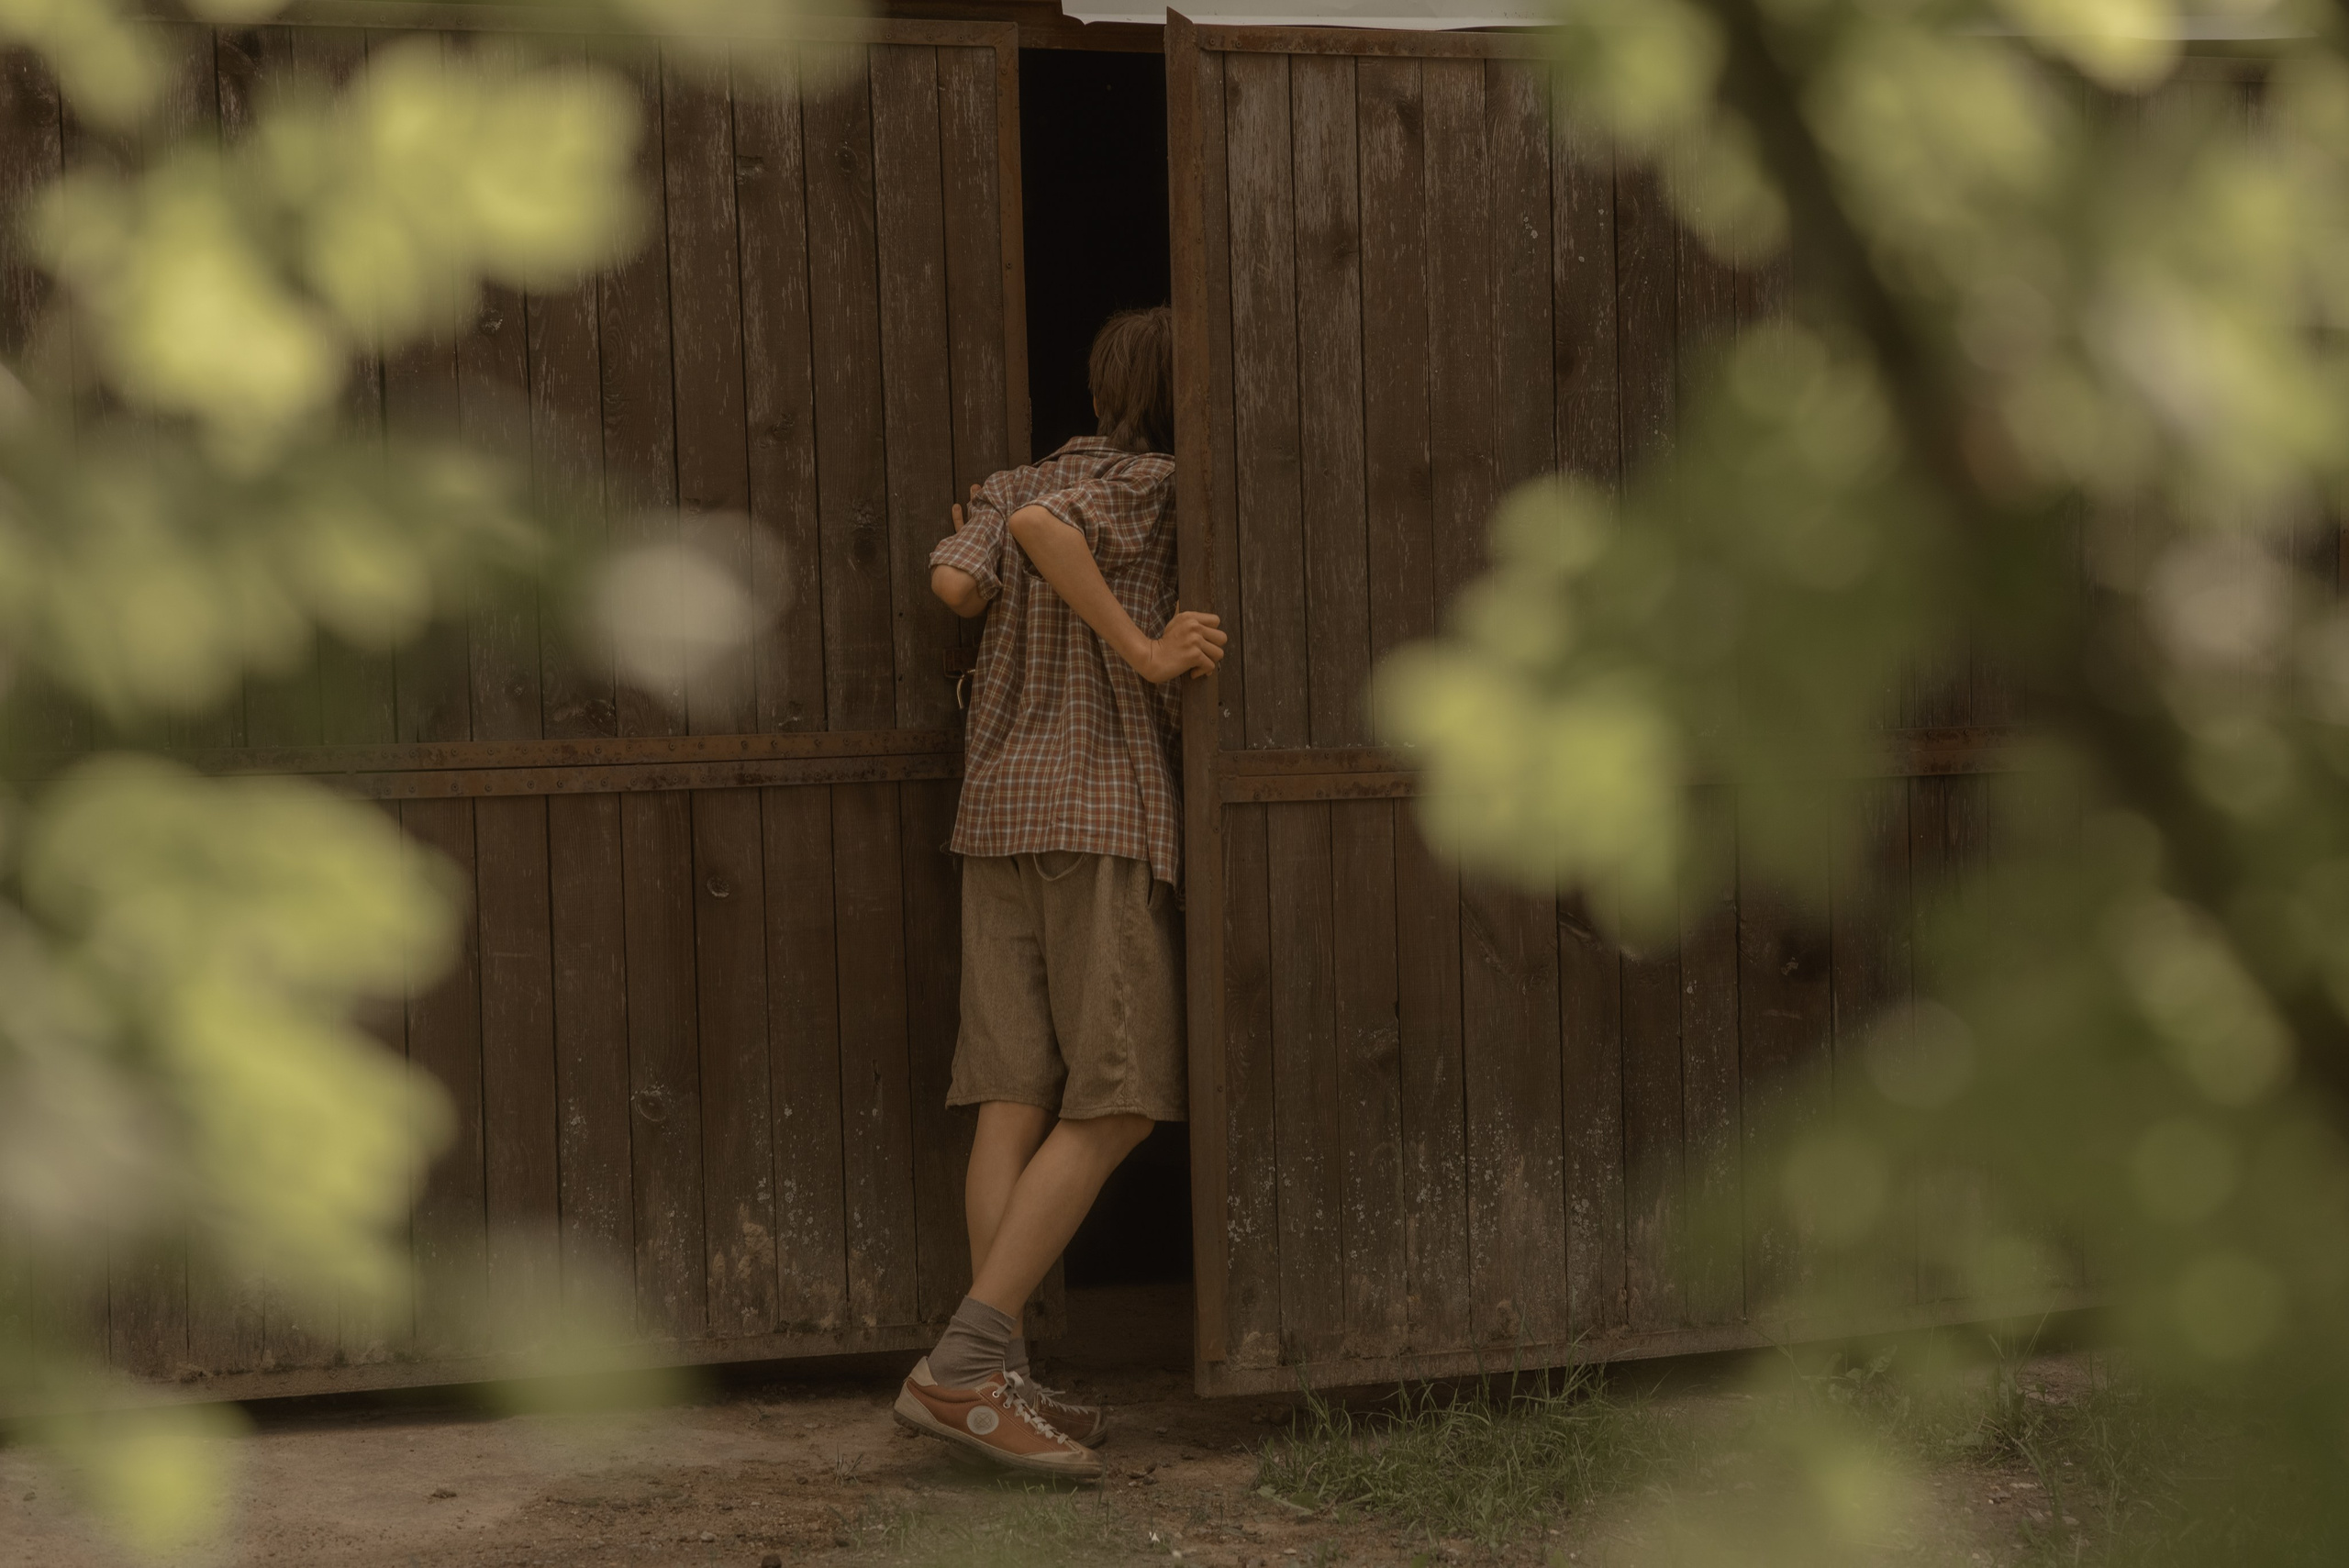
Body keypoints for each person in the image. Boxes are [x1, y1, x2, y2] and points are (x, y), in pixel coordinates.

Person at [892, 306, 1225, 1478]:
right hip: (1097, 809)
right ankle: (968, 1366)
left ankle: (998, 1382)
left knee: (1010, 1099)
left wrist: (994, 547)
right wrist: (1141, 650)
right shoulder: (1153, 484)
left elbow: (952, 584)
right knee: (1118, 1100)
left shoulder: (1013, 480)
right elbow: (1042, 527)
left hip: (996, 814)